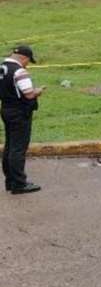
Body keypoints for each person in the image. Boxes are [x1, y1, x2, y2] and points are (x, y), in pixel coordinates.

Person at [1, 46, 44, 194]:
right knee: (18, 148)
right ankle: (19, 183)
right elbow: (29, 94)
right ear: (24, 58)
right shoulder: (19, 71)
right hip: (20, 112)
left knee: (9, 146)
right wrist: (38, 91)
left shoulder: (2, 68)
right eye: (28, 61)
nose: (27, 64)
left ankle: (10, 181)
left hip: (6, 109)